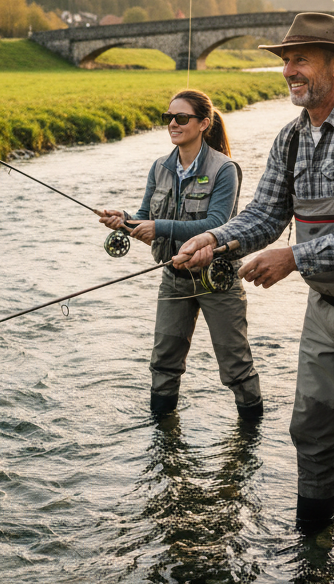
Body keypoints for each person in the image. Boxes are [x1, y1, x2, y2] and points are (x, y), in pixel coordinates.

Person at [174, 13, 334, 575]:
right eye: (285, 59)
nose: (288, 70)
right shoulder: (291, 136)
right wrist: (214, 239)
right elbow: (265, 214)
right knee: (309, 429)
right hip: (325, 307)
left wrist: (294, 258)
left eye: (301, 59)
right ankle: (313, 557)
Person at [99, 88, 263, 420]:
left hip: (216, 280)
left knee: (236, 366)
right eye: (169, 117)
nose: (173, 123)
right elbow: (145, 217)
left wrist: (159, 226)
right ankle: (162, 439)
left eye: (181, 118)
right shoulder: (159, 167)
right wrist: (123, 221)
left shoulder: (225, 169)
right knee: (163, 363)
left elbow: (217, 223)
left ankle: (249, 437)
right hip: (173, 280)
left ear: (204, 123)